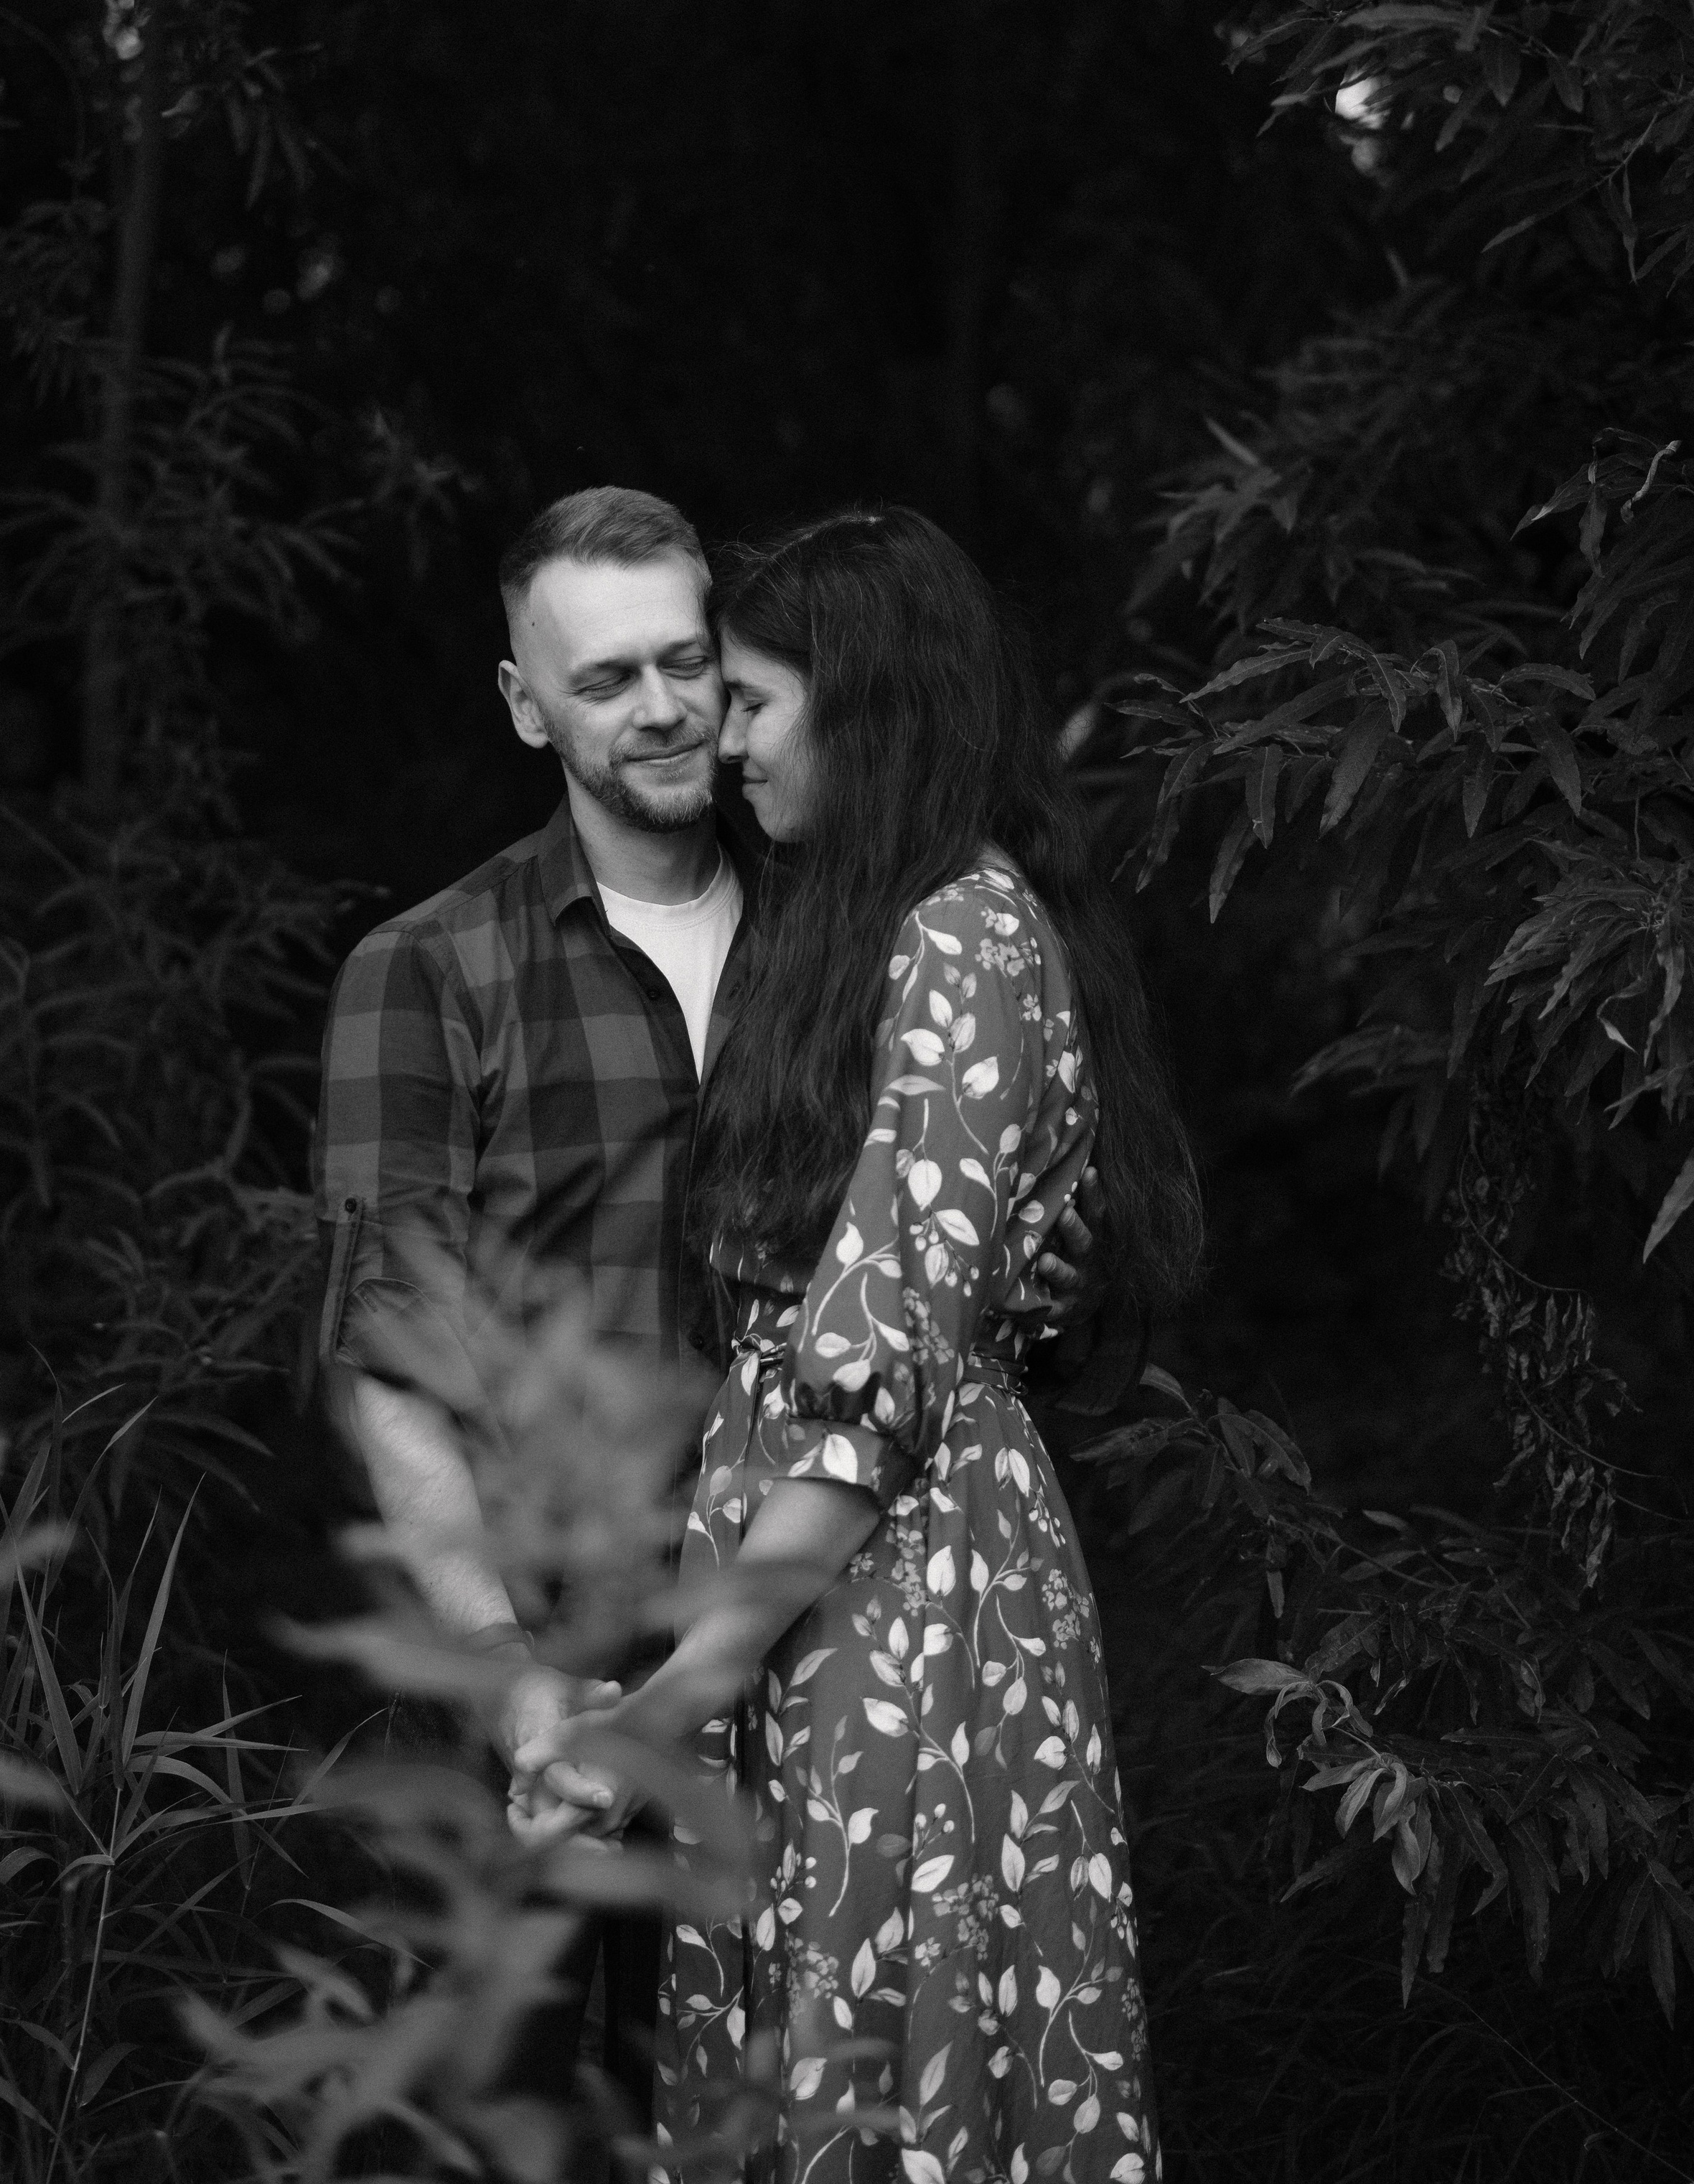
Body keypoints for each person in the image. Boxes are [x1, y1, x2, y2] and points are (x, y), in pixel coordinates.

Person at [311, 486, 1105, 2135]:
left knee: (766, 2111)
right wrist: (507, 1674)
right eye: (605, 680)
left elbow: (968, 1254)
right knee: (506, 2130)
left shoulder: (859, 917)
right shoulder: (433, 967)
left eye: (693, 665)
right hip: (546, 1655)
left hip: (806, 1632)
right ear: (526, 704)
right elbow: (392, 1366)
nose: (670, 710)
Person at [519, 508, 1202, 2184]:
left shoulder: (963, 935)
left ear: (867, 708)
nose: (724, 742)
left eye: (753, 702)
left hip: (899, 1585)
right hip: (809, 1581)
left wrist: (662, 1709)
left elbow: (871, 1383)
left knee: (884, 2040)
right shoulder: (864, 926)